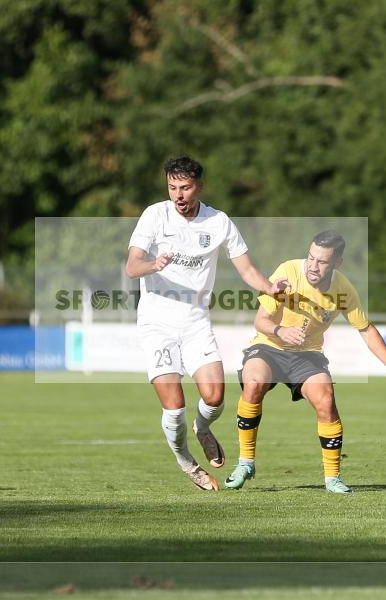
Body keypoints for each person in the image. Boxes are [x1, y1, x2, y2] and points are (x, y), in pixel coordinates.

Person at [126, 156, 288, 491]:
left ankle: (203, 428)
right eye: (172, 187)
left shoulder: (219, 222)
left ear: (199, 186)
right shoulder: (155, 215)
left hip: (196, 321)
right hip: (157, 322)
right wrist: (153, 264)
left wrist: (270, 286)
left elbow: (246, 269)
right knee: (174, 408)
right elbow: (132, 266)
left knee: (214, 397)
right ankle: (187, 462)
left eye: (184, 187)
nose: (178, 195)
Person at [224, 230, 386, 494]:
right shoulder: (288, 271)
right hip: (269, 346)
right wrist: (280, 331)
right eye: (311, 258)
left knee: (326, 400)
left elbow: (365, 330)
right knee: (254, 383)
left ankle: (332, 479)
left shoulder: (343, 289)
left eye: (321, 262)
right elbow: (260, 321)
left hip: (307, 355)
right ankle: (245, 463)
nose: (313, 266)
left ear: (337, 263)